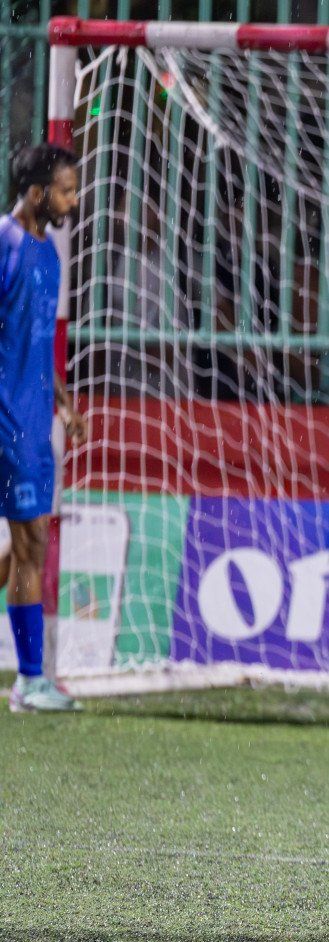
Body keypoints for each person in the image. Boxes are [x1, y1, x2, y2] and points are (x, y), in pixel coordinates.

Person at [2, 144, 85, 712]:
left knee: (25, 546)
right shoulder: (4, 245)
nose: (72, 202)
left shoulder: (50, 255)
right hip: (8, 424)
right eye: (65, 191)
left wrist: (63, 401)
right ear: (36, 194)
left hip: (35, 422)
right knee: (30, 545)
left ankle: (31, 679)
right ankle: (30, 682)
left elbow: (34, 342)